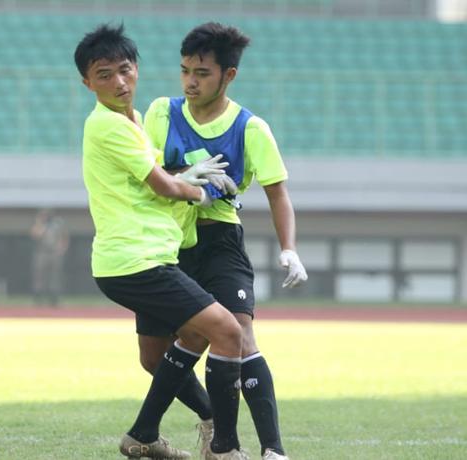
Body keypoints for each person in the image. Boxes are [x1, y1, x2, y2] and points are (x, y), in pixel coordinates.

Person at [75, 24, 248, 460]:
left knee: (156, 356)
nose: (118, 82)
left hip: (139, 259)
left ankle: (142, 436)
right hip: (138, 261)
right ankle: (224, 447)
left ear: (137, 70)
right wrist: (203, 189)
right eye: (103, 74)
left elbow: (156, 181)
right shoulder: (109, 127)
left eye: (124, 70)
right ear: (87, 82)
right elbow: (164, 187)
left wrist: (182, 177)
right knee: (227, 330)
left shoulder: (132, 121)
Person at [143, 22, 309, 460]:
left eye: (201, 73)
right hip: (165, 240)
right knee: (152, 356)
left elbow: (278, 193)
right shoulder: (161, 112)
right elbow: (147, 174)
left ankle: (273, 450)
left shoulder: (252, 129)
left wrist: (289, 248)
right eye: (184, 71)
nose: (190, 82)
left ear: (228, 75)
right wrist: (182, 178)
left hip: (219, 239)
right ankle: (210, 415)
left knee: (240, 333)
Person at [30, 208, 69, 306]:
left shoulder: (58, 224)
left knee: (55, 276)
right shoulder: (40, 224)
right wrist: (40, 223)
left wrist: (62, 249)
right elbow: (35, 235)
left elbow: (64, 237)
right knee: (40, 276)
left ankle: (54, 299)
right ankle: (38, 298)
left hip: (54, 253)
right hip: (42, 253)